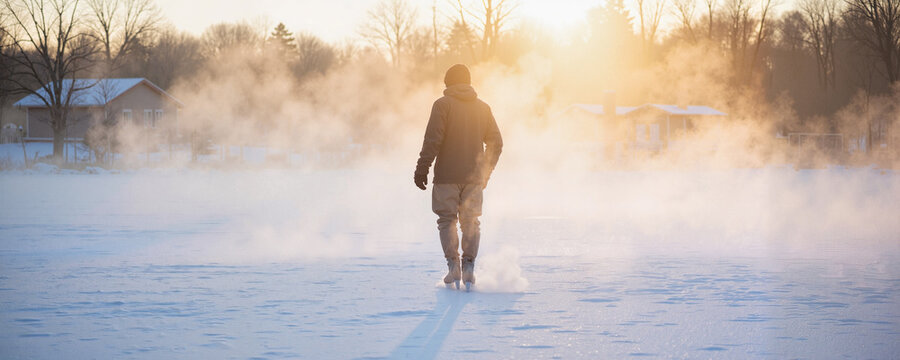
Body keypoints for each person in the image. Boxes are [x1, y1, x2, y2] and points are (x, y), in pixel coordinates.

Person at [414, 64, 503, 290]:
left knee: (447, 221)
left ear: (448, 83)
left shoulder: (442, 105)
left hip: (446, 176)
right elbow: (496, 143)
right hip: (473, 178)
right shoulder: (483, 108)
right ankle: (469, 267)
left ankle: (453, 266)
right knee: (470, 221)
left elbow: (432, 140)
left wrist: (422, 168)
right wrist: (485, 173)